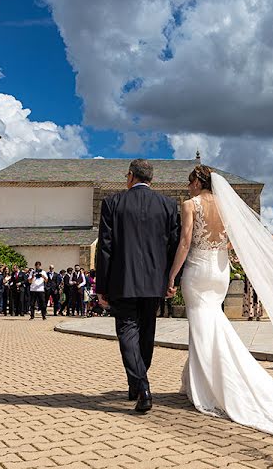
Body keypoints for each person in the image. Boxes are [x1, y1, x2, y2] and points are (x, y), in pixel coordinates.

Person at [166, 165, 273, 440]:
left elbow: (185, 240)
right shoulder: (226, 207)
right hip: (220, 271)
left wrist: (172, 274)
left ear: (197, 182)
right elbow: (232, 241)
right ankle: (196, 381)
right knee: (211, 324)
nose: (187, 186)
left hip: (198, 271)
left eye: (189, 181)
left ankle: (210, 388)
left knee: (202, 327)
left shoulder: (190, 204)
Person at [96, 159, 181, 412]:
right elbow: (174, 245)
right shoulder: (167, 205)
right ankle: (136, 384)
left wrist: (102, 285)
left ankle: (142, 386)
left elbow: (106, 247)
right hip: (155, 282)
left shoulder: (112, 203)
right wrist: (172, 279)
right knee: (146, 334)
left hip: (122, 281)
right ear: (151, 179)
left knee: (128, 334)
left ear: (131, 176)